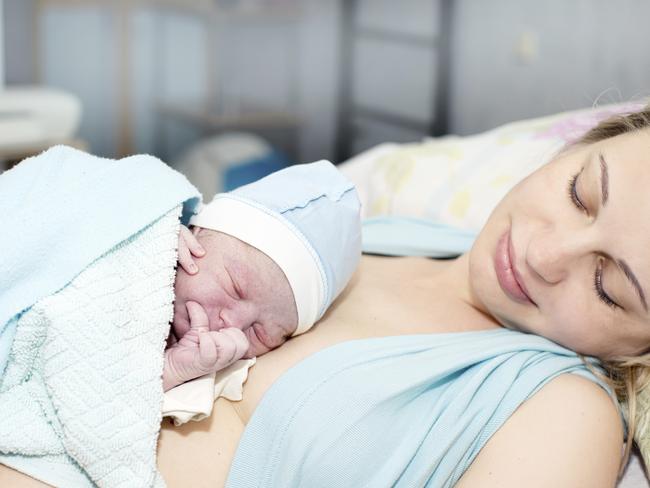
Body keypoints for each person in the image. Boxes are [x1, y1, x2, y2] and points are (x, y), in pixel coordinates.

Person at [3, 107, 649, 487]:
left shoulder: (569, 414)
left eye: (608, 287)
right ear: (574, 147)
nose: (543, 254)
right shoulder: (391, 230)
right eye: (579, 194)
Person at [161, 160, 361, 427]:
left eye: (259, 334)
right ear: (198, 232)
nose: (231, 324)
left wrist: (171, 370)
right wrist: (149, 235)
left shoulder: (195, 360)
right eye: (234, 286)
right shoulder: (154, 233)